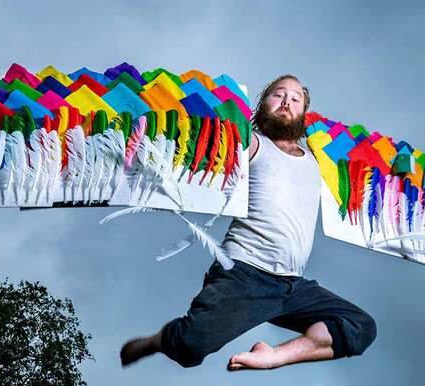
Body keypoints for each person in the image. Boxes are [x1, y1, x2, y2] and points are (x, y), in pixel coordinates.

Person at [120, 75, 377, 370]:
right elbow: (196, 129)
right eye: (278, 95)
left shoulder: (317, 161)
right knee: (190, 348)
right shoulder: (253, 145)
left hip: (293, 284)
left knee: (360, 327)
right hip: (245, 273)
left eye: (295, 99)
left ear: (304, 113)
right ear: (262, 104)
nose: (286, 102)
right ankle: (155, 341)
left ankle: (274, 356)